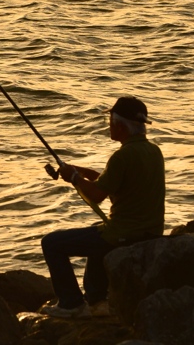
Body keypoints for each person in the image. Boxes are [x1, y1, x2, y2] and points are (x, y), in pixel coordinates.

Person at [40, 95, 165, 318]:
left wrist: (76, 178)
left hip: (124, 234)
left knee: (51, 243)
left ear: (119, 125)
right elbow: (115, 184)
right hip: (150, 231)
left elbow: (97, 195)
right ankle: (97, 299)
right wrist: (79, 172)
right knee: (97, 233)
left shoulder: (122, 156)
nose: (108, 126)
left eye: (110, 122)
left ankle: (71, 304)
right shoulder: (153, 151)